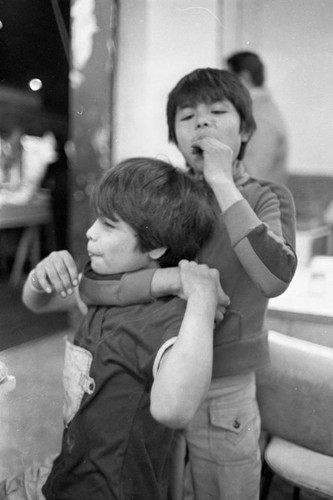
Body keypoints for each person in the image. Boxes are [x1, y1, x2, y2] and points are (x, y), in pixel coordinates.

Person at [83, 68, 297, 500]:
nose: (201, 122)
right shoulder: (164, 199)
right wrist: (169, 278)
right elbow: (95, 285)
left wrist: (221, 181)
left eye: (217, 112)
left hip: (224, 387)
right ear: (174, 136)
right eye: (187, 117)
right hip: (155, 378)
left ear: (247, 130)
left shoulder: (265, 197)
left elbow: (274, 276)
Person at [0, 157, 228, 500]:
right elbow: (38, 302)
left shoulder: (168, 318)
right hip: (66, 477)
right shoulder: (105, 285)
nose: (91, 231)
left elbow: (174, 409)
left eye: (108, 224)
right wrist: (41, 275)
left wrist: (202, 296)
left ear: (155, 246)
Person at [226, 51, 289, 185]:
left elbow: (252, 176)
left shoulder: (261, 117)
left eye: (227, 78)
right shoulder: (255, 110)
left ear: (244, 77)